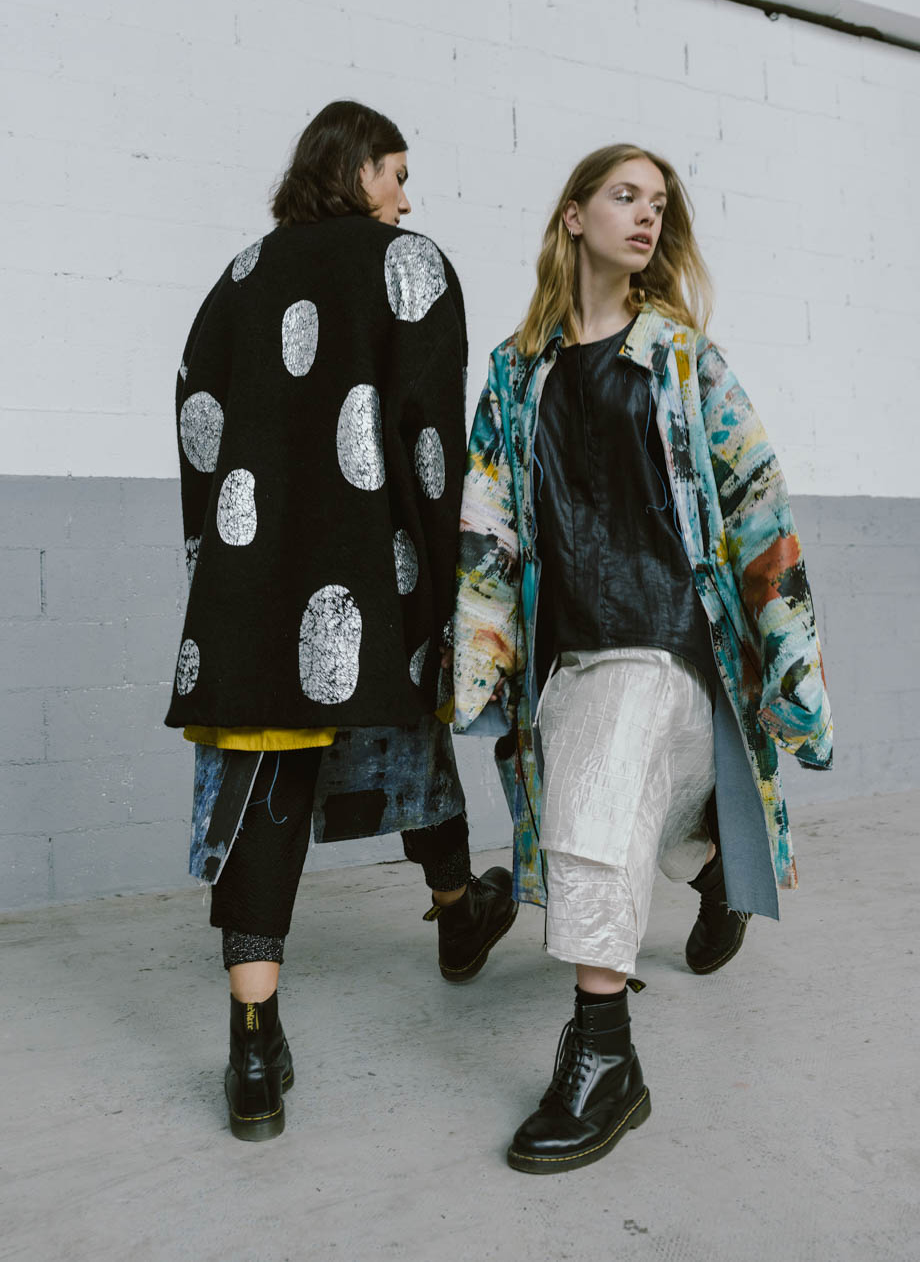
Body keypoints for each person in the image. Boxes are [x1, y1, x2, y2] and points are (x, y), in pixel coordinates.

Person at [452, 143, 832, 1174]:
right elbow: (487, 524)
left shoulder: (682, 359)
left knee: (596, 803)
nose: (646, 215)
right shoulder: (515, 373)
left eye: (658, 202)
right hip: (565, 656)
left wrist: (792, 666)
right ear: (573, 216)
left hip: (667, 642)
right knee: (612, 823)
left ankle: (604, 1055)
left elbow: (757, 502)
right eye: (624, 196)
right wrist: (477, 661)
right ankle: (712, 872)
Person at [165, 101, 517, 1142]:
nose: (406, 195)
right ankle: (457, 913)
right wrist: (440, 578)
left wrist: (222, 568)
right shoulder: (408, 264)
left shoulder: (239, 275)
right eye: (395, 171)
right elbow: (430, 437)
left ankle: (253, 1048)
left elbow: (197, 421)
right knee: (405, 728)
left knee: (266, 775)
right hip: (376, 560)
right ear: (357, 168)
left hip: (254, 576)